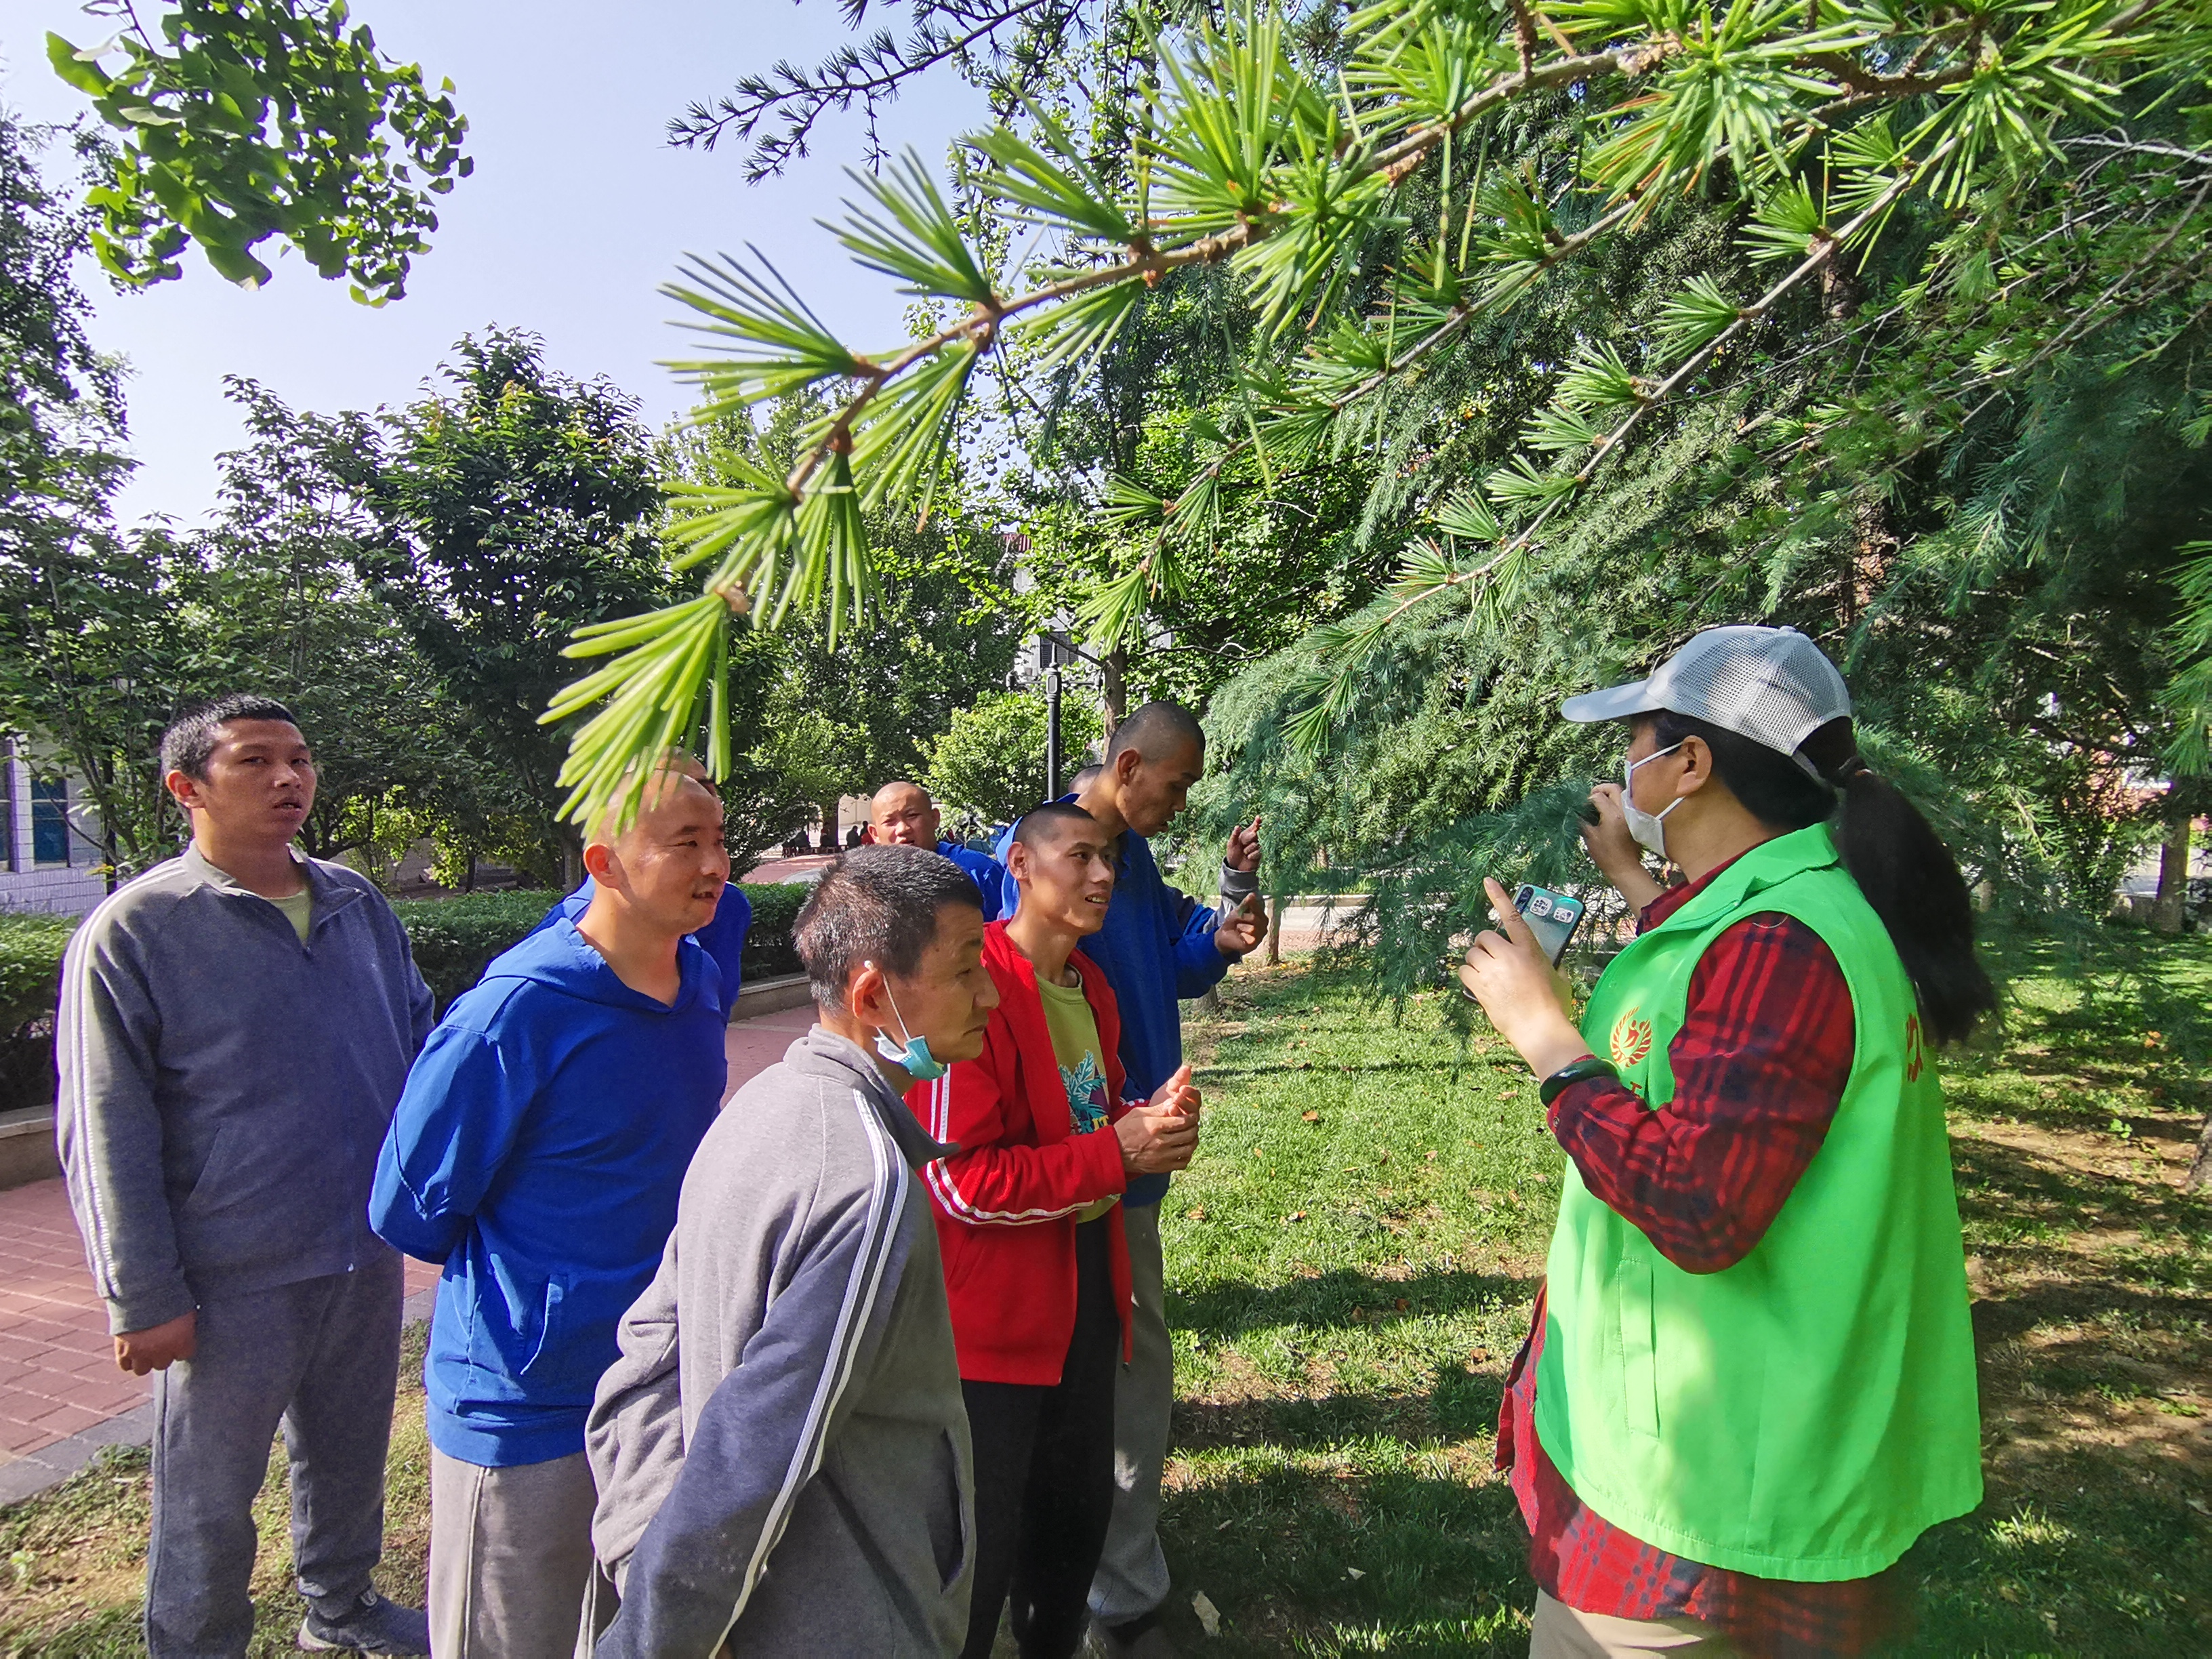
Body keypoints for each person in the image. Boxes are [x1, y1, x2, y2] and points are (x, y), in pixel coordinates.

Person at [1456, 626, 1993, 1659]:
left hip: (1705, 1493)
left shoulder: (1781, 945)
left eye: (1640, 744)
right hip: (1777, 1449)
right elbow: (1728, 1043)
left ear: (1690, 765)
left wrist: (1549, 1042)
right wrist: (1636, 883)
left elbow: (1696, 1204)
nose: (1627, 769)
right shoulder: (1800, 910)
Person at [56, 694, 434, 1659]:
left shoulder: (357, 902)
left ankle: (340, 1608)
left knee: (346, 1456)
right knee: (209, 1494)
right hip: (227, 1273)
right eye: (256, 761)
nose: (288, 779)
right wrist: (142, 1295)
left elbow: (422, 1045)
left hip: (360, 1247)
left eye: (300, 759)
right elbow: (105, 1123)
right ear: (187, 788)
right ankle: (195, 1643)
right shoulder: (137, 929)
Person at [584, 844, 998, 1655]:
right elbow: (755, 1456)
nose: (989, 995)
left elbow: (641, 1361)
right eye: (964, 972)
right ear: (875, 995)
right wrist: (655, 1635)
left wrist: (640, 1550)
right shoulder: (865, 1184)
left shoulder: (759, 1105)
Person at [369, 756, 732, 1659]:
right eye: (685, 843)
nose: (715, 864)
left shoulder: (698, 981)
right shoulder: (516, 1010)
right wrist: (547, 1292)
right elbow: (407, 1206)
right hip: (525, 1396)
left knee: (619, 1627)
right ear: (606, 861)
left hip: (651, 1376)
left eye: (720, 840)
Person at [993, 703, 1264, 1658]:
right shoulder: (1034, 860)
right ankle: (1114, 1593)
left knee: (1118, 1378)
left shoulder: (1126, 863)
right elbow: (1007, 1014)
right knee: (1091, 1388)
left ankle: (1104, 1579)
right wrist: (1100, 1146)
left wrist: (1221, 942)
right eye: (1177, 784)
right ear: (1130, 764)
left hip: (1121, 1172)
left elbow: (1169, 968)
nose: (1181, 804)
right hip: (1062, 1186)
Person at [924, 802, 1204, 1659]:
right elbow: (960, 1182)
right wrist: (1115, 1155)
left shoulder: (1093, 987)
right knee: (981, 1549)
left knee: (1073, 1521)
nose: (1102, 875)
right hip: (997, 1326)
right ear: (1019, 865)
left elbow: (1086, 1115)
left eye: (1110, 857)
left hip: (1088, 1291)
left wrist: (1143, 1122)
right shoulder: (980, 990)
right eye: (1078, 855)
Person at [529, 875, 751, 1008]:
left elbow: (721, 993)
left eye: (718, 841)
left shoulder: (727, 903)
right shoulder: (575, 918)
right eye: (688, 842)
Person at [867, 778, 1006, 919]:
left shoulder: (979, 870)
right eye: (890, 821)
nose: (903, 829)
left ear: (934, 818)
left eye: (912, 816)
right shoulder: (868, 886)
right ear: (875, 834)